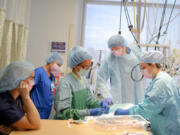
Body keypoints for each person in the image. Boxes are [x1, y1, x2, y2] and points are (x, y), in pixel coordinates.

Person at [114, 51, 180, 135]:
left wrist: (128, 112)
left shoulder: (161, 83)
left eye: (143, 67)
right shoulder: (161, 79)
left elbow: (147, 108)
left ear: (152, 65)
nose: (142, 71)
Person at [54, 46, 109, 120]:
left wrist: (100, 103)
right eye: (86, 67)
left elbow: (90, 101)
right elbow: (64, 113)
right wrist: (88, 112)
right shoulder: (65, 83)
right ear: (76, 66)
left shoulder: (84, 80)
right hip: (66, 125)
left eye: (89, 66)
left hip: (79, 123)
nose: (88, 69)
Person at [96, 34, 144, 104]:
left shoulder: (134, 52)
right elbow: (100, 80)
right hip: (117, 98)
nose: (114, 51)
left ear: (123, 46)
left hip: (136, 94)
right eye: (112, 49)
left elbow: (144, 66)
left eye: (116, 49)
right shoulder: (109, 58)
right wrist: (107, 95)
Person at [0, 61, 40, 135]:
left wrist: (14, 125)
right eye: (31, 78)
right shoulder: (4, 103)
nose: (33, 82)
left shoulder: (17, 97)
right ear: (18, 79)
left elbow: (30, 118)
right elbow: (35, 124)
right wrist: (26, 97)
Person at [30, 52, 64, 119]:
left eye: (60, 66)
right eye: (58, 65)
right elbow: (28, 89)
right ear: (51, 61)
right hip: (36, 109)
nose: (58, 68)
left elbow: (51, 90)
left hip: (47, 109)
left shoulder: (52, 77)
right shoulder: (38, 72)